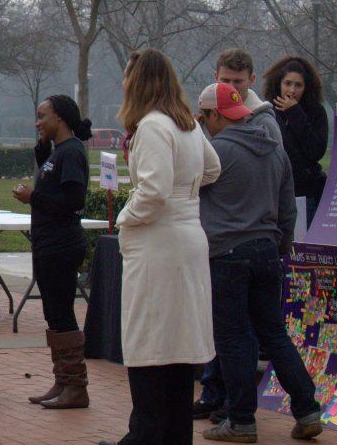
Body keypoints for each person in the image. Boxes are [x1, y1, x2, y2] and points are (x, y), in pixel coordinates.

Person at [99, 50, 221, 445]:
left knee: (151, 345)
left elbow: (152, 192)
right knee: (178, 349)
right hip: (188, 238)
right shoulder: (185, 123)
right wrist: (185, 196)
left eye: (126, 77)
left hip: (159, 247)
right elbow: (213, 168)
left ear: (138, 82)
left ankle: (147, 434)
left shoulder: (152, 125)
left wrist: (124, 217)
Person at [196, 83, 323, 442]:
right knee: (274, 334)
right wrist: (280, 246)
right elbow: (287, 208)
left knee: (233, 339)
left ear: (215, 115)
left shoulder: (216, 152)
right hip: (267, 250)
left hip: (228, 255)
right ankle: (308, 409)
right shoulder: (273, 148)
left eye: (205, 117)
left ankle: (240, 421)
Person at [12, 94, 93, 410]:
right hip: (47, 243)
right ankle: (62, 380)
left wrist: (34, 198)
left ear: (59, 118)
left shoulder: (72, 153)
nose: (37, 122)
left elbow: (73, 201)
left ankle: (77, 386)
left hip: (61, 244)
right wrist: (42, 153)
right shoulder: (58, 152)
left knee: (62, 312)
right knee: (52, 312)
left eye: (42, 115)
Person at [262, 56, 329, 226]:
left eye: (298, 85)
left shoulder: (316, 112)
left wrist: (295, 113)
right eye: (288, 83)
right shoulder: (267, 111)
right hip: (274, 193)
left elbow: (315, 151)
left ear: (306, 87)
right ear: (279, 83)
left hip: (306, 192)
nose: (292, 90)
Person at [214, 49, 281, 145]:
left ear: (251, 80)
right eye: (225, 80)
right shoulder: (206, 119)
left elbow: (278, 159)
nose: (231, 87)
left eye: (238, 81)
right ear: (216, 77)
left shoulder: (265, 124)